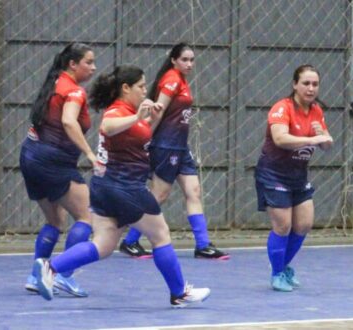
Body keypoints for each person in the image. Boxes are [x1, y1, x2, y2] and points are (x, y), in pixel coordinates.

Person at [32, 65, 210, 307]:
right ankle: (179, 293)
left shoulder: (129, 114)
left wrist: (151, 120)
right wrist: (139, 117)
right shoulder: (118, 111)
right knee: (160, 235)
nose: (145, 91)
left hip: (105, 187)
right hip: (126, 188)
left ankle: (51, 268)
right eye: (141, 87)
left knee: (103, 244)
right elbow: (107, 126)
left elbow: (135, 135)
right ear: (125, 88)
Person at [117, 42, 229, 260]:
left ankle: (203, 245)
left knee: (194, 191)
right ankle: (130, 241)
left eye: (192, 60)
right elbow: (158, 111)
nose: (189, 64)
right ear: (173, 60)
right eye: (184, 59)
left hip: (181, 146)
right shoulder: (171, 79)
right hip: (166, 146)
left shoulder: (181, 80)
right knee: (159, 194)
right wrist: (144, 138)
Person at [20, 43, 96, 297]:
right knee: (87, 216)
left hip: (30, 156)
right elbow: (68, 121)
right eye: (88, 62)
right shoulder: (74, 91)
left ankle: (35, 275)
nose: (93, 67)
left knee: (55, 220)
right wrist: (89, 153)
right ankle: (63, 274)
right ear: (73, 64)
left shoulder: (53, 83)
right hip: (53, 162)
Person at [255, 64, 333, 292]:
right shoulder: (282, 108)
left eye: (315, 84)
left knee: (304, 223)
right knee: (283, 225)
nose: (311, 88)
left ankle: (284, 265)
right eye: (306, 83)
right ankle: (277, 273)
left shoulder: (317, 111)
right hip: (273, 174)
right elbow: (280, 139)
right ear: (295, 85)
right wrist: (311, 140)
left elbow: (326, 144)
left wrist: (324, 138)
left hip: (298, 176)